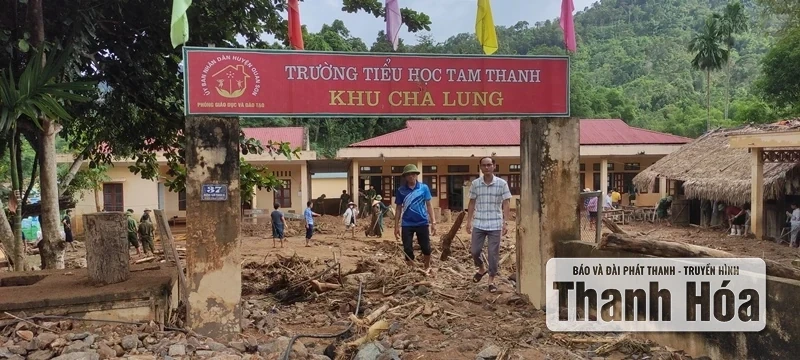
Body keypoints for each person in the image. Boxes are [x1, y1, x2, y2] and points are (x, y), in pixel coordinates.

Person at [466, 156, 511, 293]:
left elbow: (506, 203)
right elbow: (472, 202)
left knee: (493, 254)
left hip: (495, 223)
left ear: (494, 166)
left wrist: (506, 222)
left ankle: (491, 280)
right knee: (475, 251)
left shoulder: (502, 183)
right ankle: (481, 268)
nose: (486, 167)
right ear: (480, 167)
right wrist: (468, 221)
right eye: (484, 165)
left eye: (489, 165)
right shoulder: (475, 184)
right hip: (479, 222)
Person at [394, 164, 437, 273]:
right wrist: (396, 226)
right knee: (407, 248)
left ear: (416, 175)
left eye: (413, 174)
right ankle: (411, 269)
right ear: (405, 176)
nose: (411, 176)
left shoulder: (424, 188)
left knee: (426, 247)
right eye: (408, 174)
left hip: (422, 222)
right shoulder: (401, 190)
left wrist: (433, 221)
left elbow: (429, 204)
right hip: (407, 223)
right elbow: (398, 208)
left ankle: (427, 266)